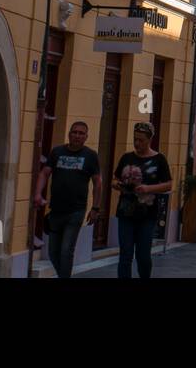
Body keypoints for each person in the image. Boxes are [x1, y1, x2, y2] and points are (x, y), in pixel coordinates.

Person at [33, 120, 102, 279]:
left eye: (81, 133)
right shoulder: (57, 152)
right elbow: (45, 173)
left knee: (66, 251)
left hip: (76, 211)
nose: (77, 136)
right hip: (56, 210)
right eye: (74, 132)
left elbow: (97, 183)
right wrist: (38, 194)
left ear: (86, 137)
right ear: (69, 134)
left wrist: (95, 208)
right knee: (52, 252)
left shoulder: (90, 156)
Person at [112, 122, 173, 278]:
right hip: (125, 212)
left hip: (147, 214)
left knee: (143, 255)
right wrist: (118, 185)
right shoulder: (127, 157)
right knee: (125, 254)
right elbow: (114, 179)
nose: (137, 143)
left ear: (149, 139)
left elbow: (168, 184)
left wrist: (148, 189)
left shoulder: (159, 159)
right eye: (135, 139)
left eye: (141, 140)